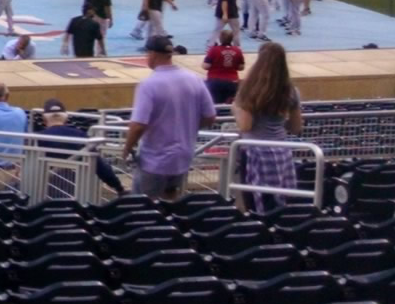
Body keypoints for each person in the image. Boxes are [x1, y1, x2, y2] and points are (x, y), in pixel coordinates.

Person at [121, 35, 219, 201]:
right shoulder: (194, 79)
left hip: (155, 159)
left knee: (141, 207)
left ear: (152, 54)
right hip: (183, 157)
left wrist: (126, 148)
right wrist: (187, 126)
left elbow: (138, 125)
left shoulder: (149, 85)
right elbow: (210, 117)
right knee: (171, 204)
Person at [234, 40, 304, 206]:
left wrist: (235, 108)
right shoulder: (291, 91)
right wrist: (277, 123)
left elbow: (245, 125)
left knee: (254, 203)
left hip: (254, 152)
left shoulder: (249, 90)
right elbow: (296, 127)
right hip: (280, 152)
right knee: (279, 202)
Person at [37, 99, 125, 198]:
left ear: (44, 120)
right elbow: (100, 165)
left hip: (43, 191)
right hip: (77, 192)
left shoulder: (37, 138)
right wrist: (118, 187)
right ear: (66, 119)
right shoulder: (80, 135)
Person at [203, 28, 245, 105]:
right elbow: (241, 67)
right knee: (230, 104)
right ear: (232, 39)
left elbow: (206, 66)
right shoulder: (238, 51)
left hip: (215, 81)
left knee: (215, 104)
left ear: (220, 38)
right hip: (232, 82)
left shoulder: (214, 50)